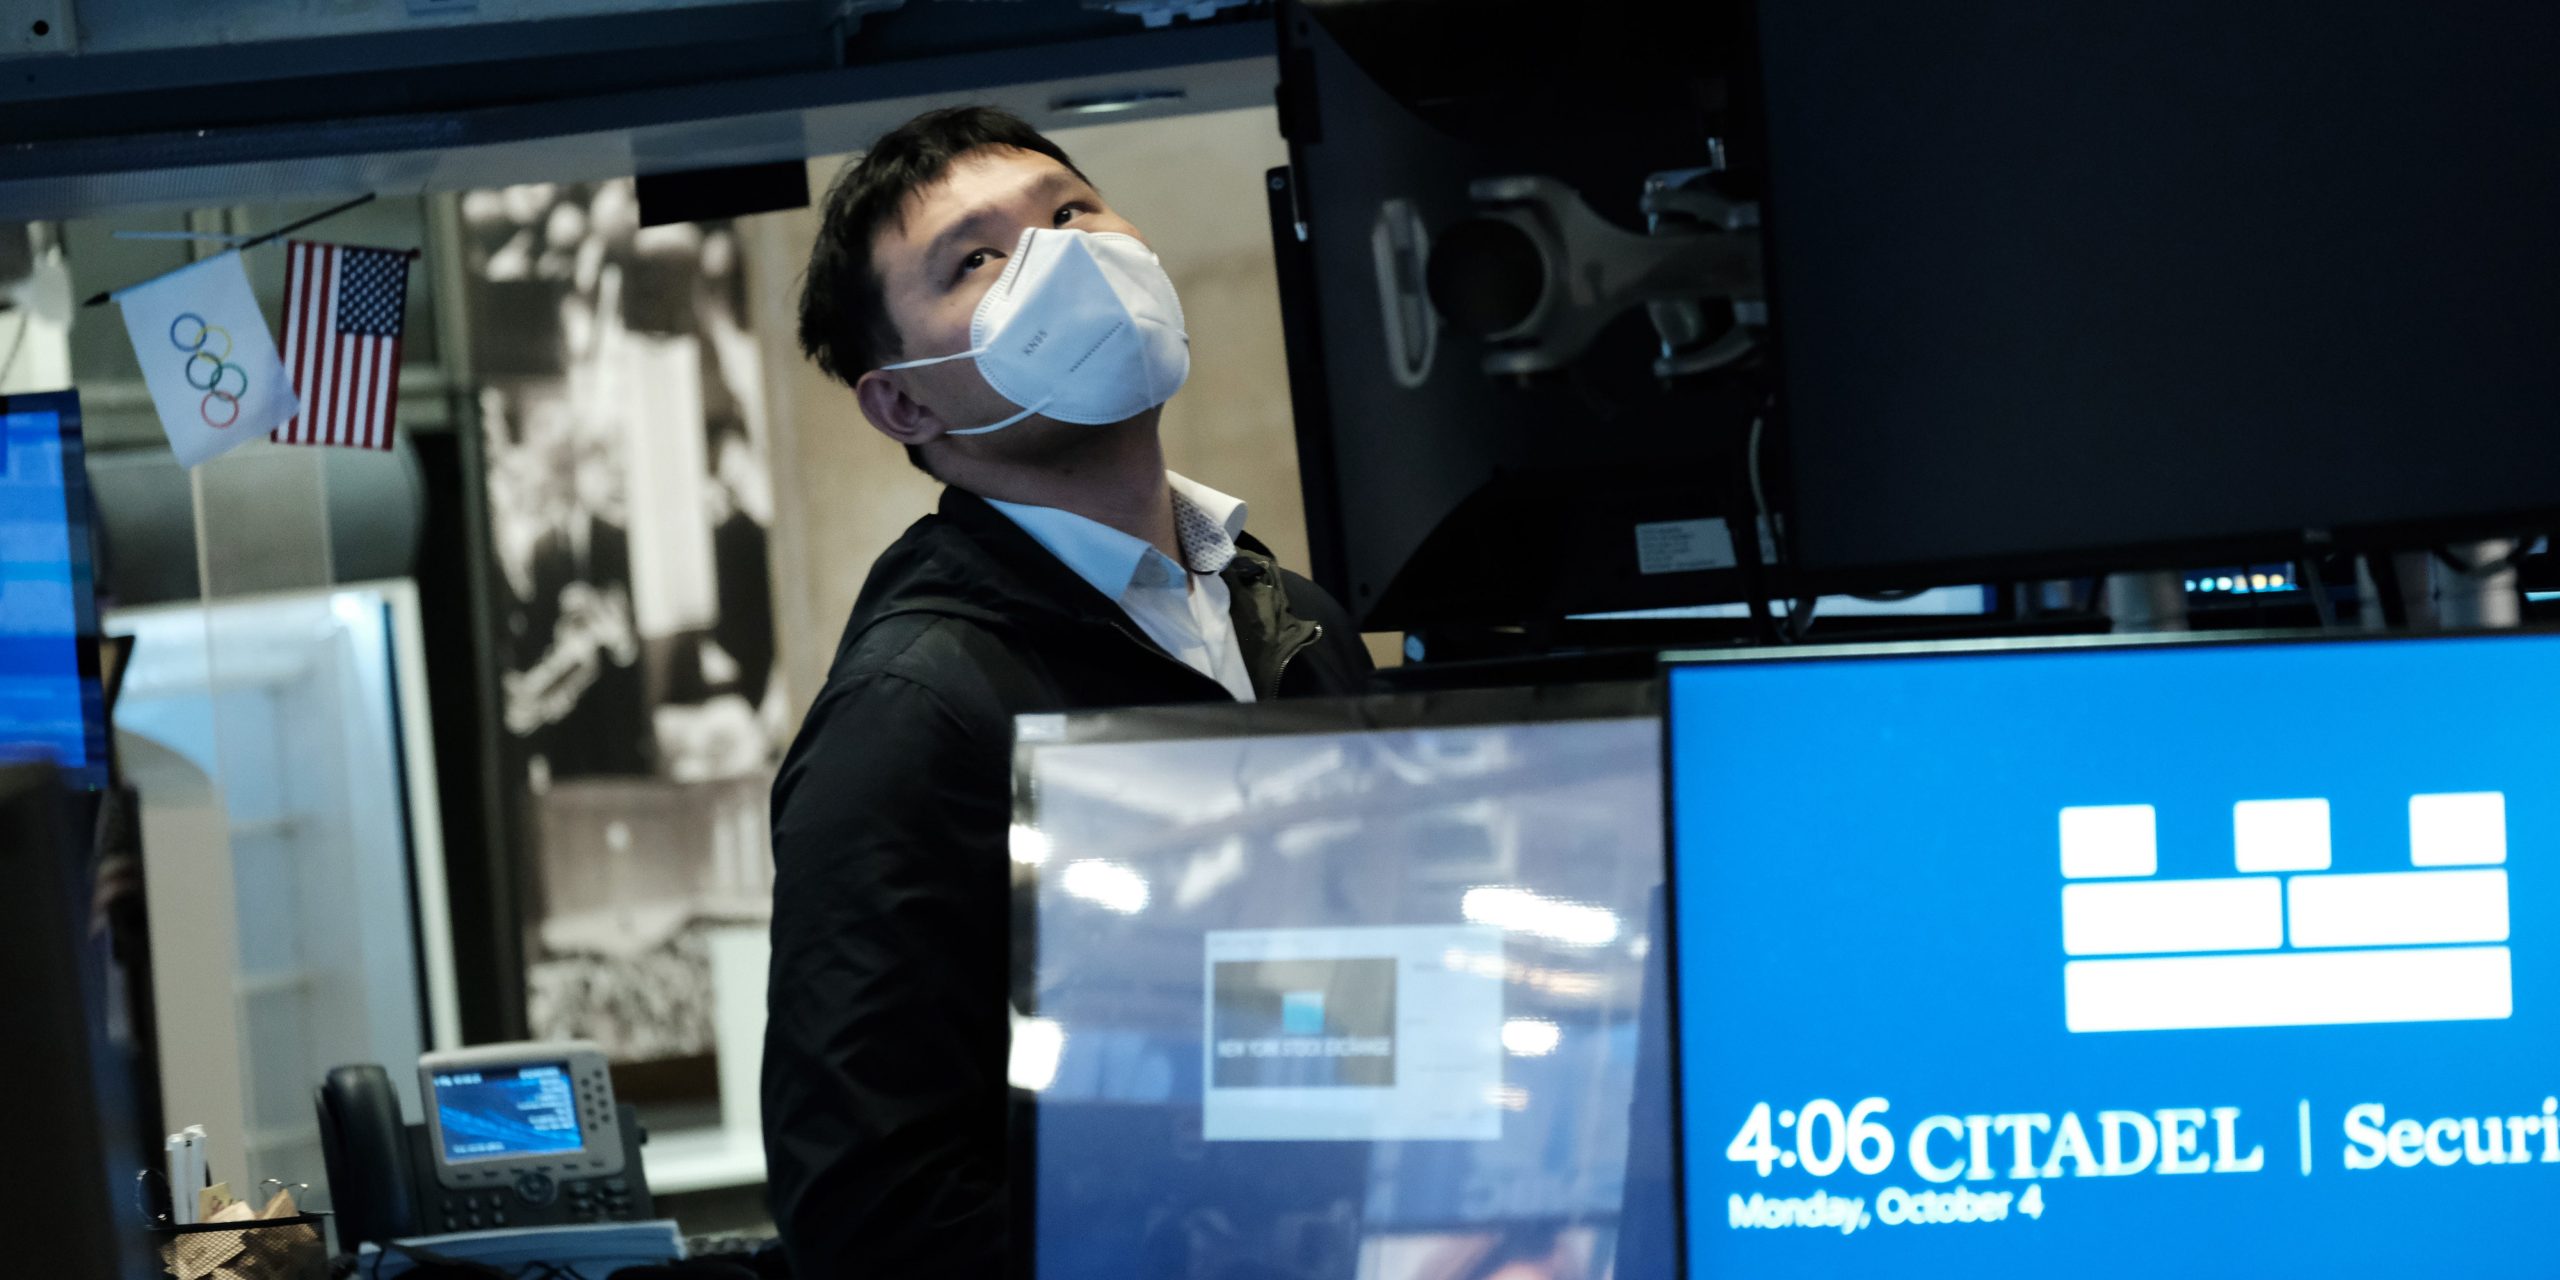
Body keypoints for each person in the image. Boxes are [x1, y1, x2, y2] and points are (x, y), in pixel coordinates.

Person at [761, 105, 1373, 1277]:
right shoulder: (914, 712)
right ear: (905, 403)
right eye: (977, 258)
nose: (1066, 258)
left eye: (1073, 210)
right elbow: (872, 1205)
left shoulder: (1288, 621)